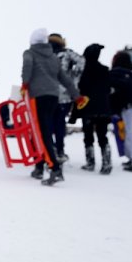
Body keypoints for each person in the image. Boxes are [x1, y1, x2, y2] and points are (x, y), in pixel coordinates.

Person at [22, 28, 86, 186]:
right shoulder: (53, 57)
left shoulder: (29, 53)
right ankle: (40, 166)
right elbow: (65, 79)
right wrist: (76, 96)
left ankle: (54, 168)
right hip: (53, 97)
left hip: (37, 96)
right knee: (45, 131)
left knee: (40, 133)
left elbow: (27, 67)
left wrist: (24, 84)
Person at [74, 43, 113, 174]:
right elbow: (109, 89)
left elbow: (79, 88)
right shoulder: (105, 70)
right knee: (103, 136)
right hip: (103, 108)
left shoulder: (83, 71)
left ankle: (90, 162)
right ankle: (107, 163)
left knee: (88, 136)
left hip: (87, 108)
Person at [48, 34, 85, 164]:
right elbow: (82, 62)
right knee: (60, 123)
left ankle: (50, 149)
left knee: (47, 123)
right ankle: (60, 151)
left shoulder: (45, 54)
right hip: (64, 94)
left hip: (47, 94)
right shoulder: (67, 53)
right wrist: (74, 78)